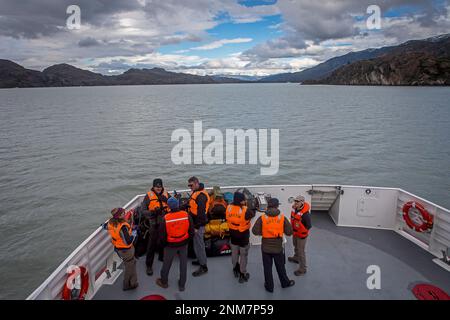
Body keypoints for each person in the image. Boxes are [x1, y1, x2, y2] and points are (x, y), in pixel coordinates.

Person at [252, 198, 295, 293]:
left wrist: (263, 232)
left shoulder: (262, 218)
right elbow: (289, 232)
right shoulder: (282, 218)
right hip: (278, 248)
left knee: (267, 268)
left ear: (268, 206)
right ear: (277, 206)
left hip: (265, 249)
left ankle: (269, 286)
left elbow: (255, 231)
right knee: (280, 267)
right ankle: (285, 283)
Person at [156, 197, 194, 291]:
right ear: (178, 205)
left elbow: (162, 235)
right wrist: (186, 240)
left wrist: (165, 244)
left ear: (169, 207)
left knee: (166, 264)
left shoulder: (166, 218)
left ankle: (164, 282)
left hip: (170, 245)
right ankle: (182, 285)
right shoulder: (186, 215)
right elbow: (191, 231)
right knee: (183, 264)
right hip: (184, 243)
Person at [138, 178, 170, 276]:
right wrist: (152, 212)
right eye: (157, 187)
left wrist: (168, 200)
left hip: (164, 222)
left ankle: (161, 256)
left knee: (163, 241)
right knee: (151, 245)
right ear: (153, 187)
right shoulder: (148, 196)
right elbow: (143, 211)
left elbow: (174, 205)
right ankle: (149, 265)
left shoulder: (166, 194)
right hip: (153, 223)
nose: (158, 188)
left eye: (160, 187)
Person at [226, 191, 255, 283]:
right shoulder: (246, 210)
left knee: (234, 253)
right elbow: (252, 214)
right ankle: (243, 274)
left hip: (233, 235)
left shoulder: (229, 208)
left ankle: (235, 269)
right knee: (243, 255)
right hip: (243, 237)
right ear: (241, 201)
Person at [106, 208, 138, 291]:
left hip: (118, 248)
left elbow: (105, 226)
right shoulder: (122, 227)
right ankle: (127, 285)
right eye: (123, 213)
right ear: (120, 216)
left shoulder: (110, 222)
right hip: (126, 250)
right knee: (129, 268)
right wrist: (134, 232)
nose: (125, 213)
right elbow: (128, 241)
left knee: (132, 263)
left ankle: (133, 281)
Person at [184, 176, 210, 277]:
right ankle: (199, 260)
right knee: (196, 243)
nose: (190, 187)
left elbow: (201, 214)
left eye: (191, 185)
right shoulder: (196, 192)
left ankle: (204, 266)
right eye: (189, 185)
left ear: (196, 183)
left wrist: (196, 227)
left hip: (198, 224)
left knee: (200, 245)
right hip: (194, 222)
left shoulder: (201, 196)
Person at [288, 195, 312, 276]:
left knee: (301, 251)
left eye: (298, 201)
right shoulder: (294, 209)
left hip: (301, 236)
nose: (296, 202)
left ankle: (303, 269)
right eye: (295, 201)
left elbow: (309, 226)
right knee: (295, 246)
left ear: (302, 202)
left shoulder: (305, 214)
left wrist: (302, 231)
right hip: (295, 233)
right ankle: (296, 258)